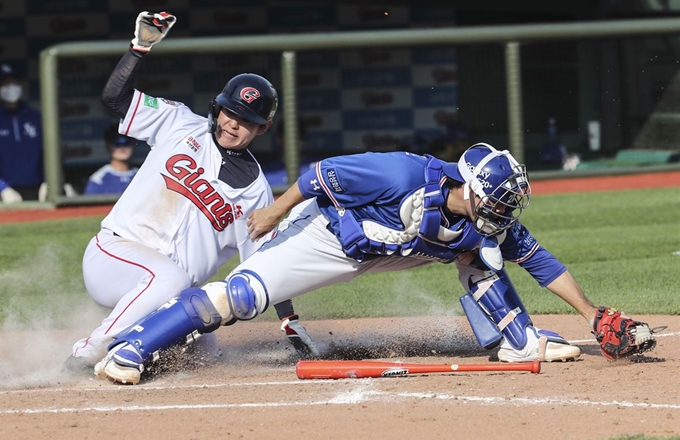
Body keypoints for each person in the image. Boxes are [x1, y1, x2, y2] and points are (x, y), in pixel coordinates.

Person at [93, 141, 659, 384]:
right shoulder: (403, 175)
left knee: (481, 255)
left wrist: (590, 314)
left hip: (400, 250)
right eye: (503, 202)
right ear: (473, 187)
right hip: (332, 239)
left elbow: (539, 261)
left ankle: (517, 342)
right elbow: (320, 175)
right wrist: (273, 214)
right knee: (239, 298)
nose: (509, 213)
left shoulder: (486, 217)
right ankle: (132, 347)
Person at [64, 11, 314, 377]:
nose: (234, 123)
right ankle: (87, 353)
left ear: (263, 129)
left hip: (167, 295)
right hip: (114, 256)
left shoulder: (257, 192)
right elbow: (115, 99)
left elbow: (267, 262)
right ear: (218, 107)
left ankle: (130, 360)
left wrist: (289, 320)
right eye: (231, 112)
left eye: (247, 120)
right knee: (170, 279)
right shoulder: (179, 122)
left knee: (203, 353)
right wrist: (140, 48)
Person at [0, 63, 44, 203]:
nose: (11, 87)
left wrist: (48, 182)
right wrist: (2, 188)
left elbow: (48, 154)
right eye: (6, 84)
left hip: (35, 189)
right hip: (5, 191)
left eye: (14, 83)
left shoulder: (35, 117)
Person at [83, 124, 139, 195]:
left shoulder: (142, 176)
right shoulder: (98, 180)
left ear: (134, 144)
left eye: (127, 142)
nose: (122, 147)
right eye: (117, 143)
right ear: (107, 146)